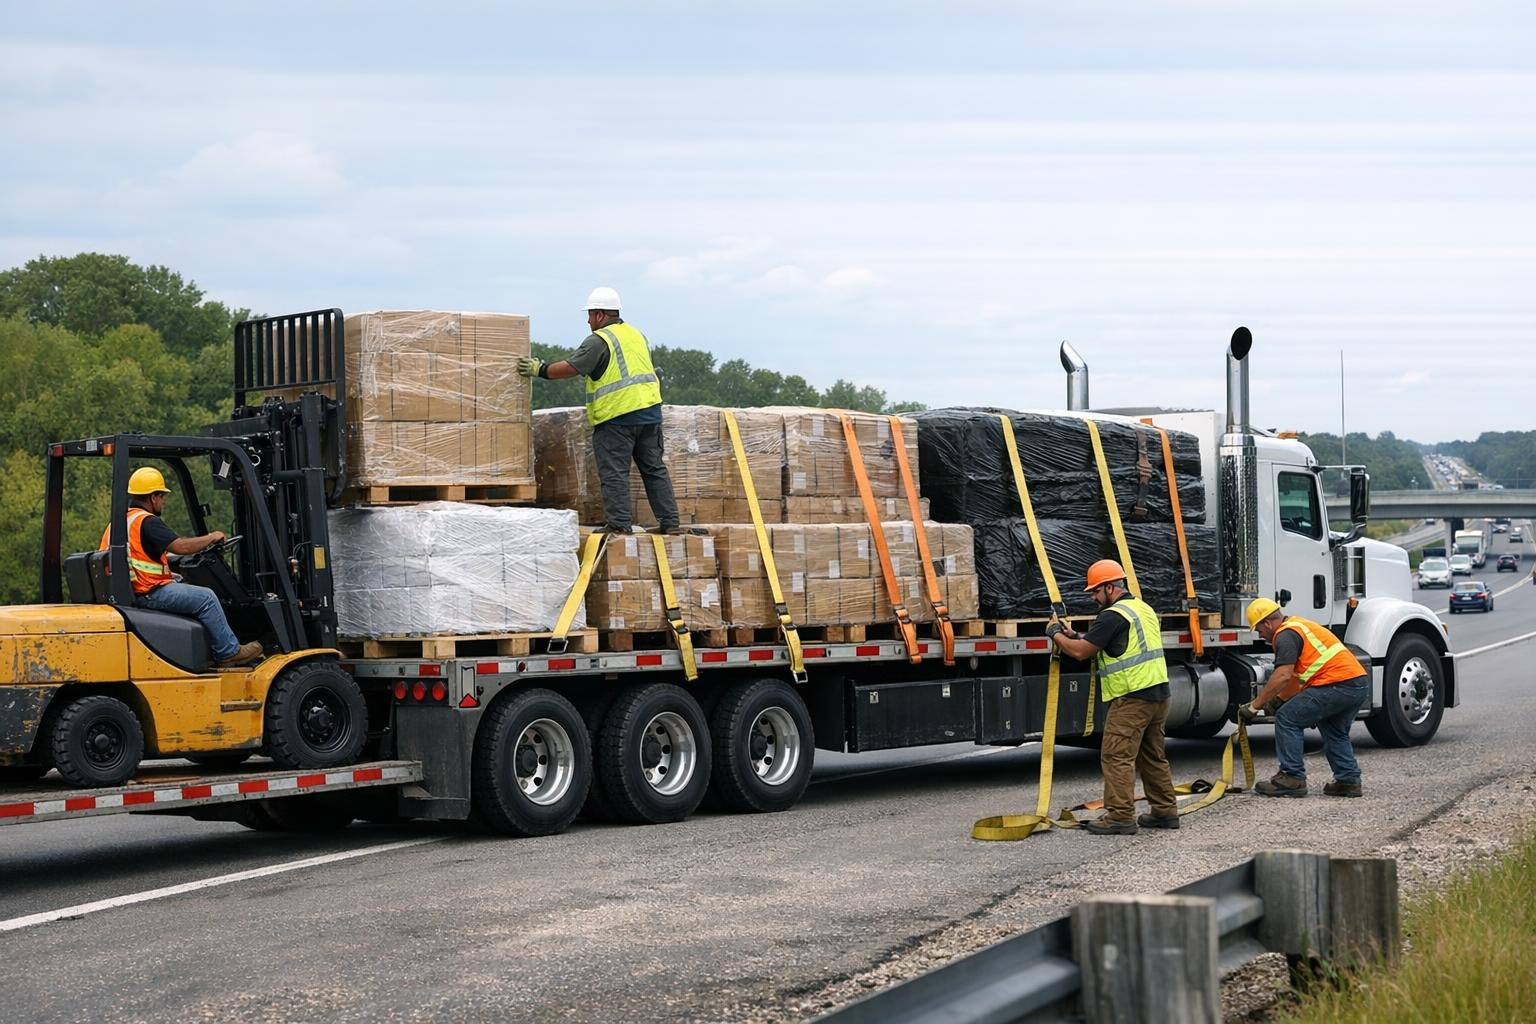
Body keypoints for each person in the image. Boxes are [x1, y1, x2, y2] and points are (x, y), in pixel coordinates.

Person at [517, 287, 683, 535]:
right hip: (650, 414)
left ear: (601, 315)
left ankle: (619, 526)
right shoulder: (637, 335)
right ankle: (670, 523)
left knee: (614, 473)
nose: (588, 320)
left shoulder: (600, 340)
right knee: (654, 470)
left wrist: (540, 369)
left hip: (618, 418)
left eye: (591, 314)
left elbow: (573, 367)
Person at [1048, 560, 1180, 835]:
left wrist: (1057, 634)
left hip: (1132, 697)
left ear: (1110, 587)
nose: (1094, 598)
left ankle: (1120, 816)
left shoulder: (1112, 615)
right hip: (1158, 694)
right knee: (1152, 756)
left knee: (1116, 756)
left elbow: (1081, 653)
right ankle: (1165, 812)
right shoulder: (1141, 608)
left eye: (1096, 592)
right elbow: (1115, 644)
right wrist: (1076, 634)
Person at [100, 467, 264, 667]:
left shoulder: (121, 522)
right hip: (148, 594)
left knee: (190, 590)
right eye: (162, 497)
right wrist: (211, 537)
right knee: (207, 598)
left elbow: (140, 554)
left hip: (133, 591)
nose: (164, 501)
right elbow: (181, 546)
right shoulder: (147, 521)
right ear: (153, 497)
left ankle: (210, 650)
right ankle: (228, 652)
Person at [1238, 598, 1369, 798]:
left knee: (1287, 718)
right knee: (1334, 730)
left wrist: (1255, 706)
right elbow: (1298, 677)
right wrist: (1279, 699)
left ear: (1267, 623)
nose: (1261, 635)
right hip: (1356, 683)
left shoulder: (1285, 635)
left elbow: (1283, 675)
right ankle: (1348, 781)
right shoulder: (1298, 626)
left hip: (1335, 683)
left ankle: (1292, 778)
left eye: (1259, 630)